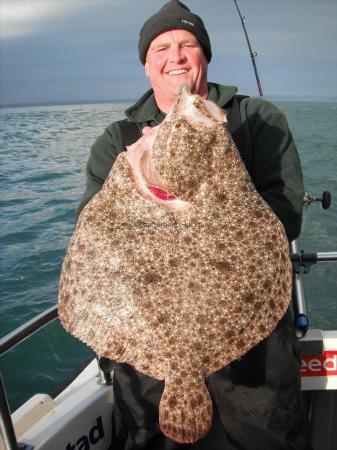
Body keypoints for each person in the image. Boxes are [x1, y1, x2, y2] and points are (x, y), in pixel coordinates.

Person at [77, 1, 311, 449]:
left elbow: (285, 214)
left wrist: (220, 192)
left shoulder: (258, 119)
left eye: (188, 45)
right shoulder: (117, 142)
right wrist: (129, 181)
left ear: (204, 56)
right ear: (147, 65)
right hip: (151, 358)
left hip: (252, 355)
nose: (177, 56)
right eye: (161, 48)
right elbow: (91, 237)